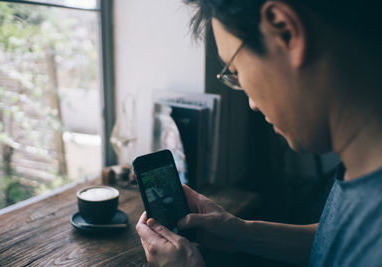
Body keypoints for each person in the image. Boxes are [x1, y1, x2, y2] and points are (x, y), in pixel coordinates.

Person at [136, 0, 382, 266]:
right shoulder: (363, 169)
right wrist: (241, 233)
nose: (251, 103)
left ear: (285, 31)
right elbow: (336, 243)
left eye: (236, 71)